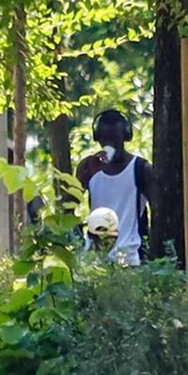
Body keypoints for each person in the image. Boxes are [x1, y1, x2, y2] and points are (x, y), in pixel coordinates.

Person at [77, 110, 155, 266]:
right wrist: (83, 180)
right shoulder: (88, 166)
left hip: (131, 259)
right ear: (97, 138)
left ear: (125, 137)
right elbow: (67, 207)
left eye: (115, 139)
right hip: (96, 260)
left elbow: (159, 211)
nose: (109, 144)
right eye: (105, 140)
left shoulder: (140, 168)